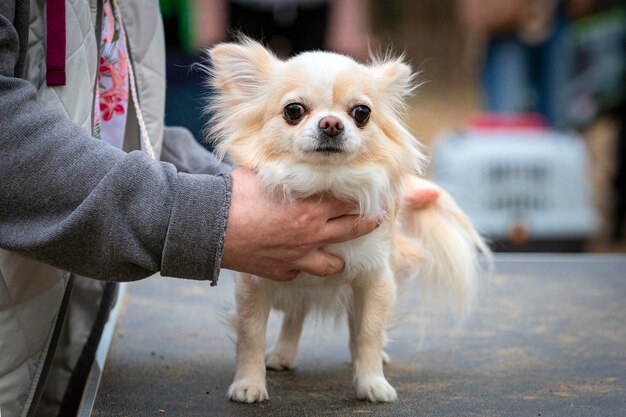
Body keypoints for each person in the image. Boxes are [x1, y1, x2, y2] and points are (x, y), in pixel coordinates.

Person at [0, 1, 439, 416]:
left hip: (62, 326)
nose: (329, 123)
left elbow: (127, 132)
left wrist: (216, 191)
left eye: (358, 113)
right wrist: (215, 213)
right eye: (294, 112)